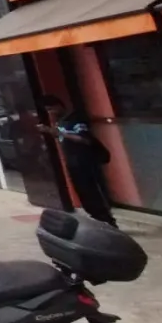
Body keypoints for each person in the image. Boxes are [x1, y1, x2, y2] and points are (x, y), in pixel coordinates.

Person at [37, 95, 118, 227]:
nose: (51, 113)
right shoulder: (60, 121)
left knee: (92, 192)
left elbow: (84, 139)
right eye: (48, 110)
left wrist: (59, 133)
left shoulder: (75, 119)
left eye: (51, 109)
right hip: (72, 162)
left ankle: (107, 220)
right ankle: (96, 219)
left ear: (58, 105)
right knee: (83, 193)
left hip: (84, 161)